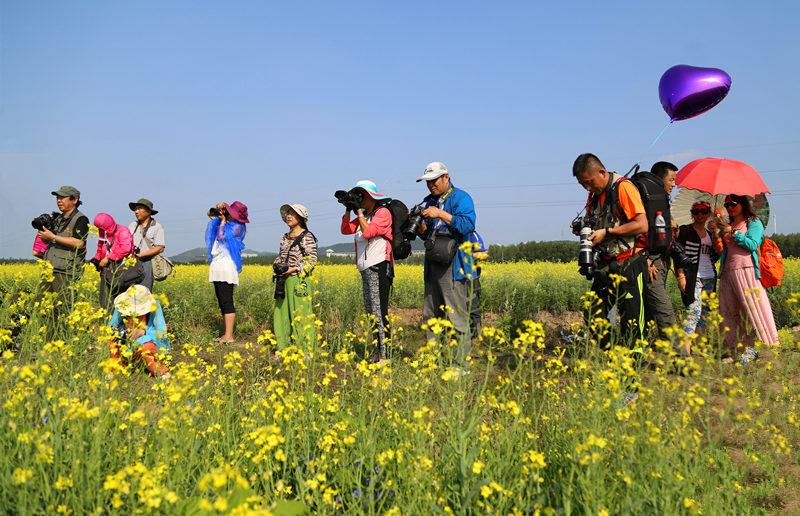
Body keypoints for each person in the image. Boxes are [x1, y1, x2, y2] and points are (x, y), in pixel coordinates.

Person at [572, 153, 648, 347]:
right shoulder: (594, 195)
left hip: (629, 262)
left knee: (631, 321)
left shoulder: (624, 188)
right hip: (606, 265)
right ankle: (614, 355)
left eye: (589, 182)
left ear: (602, 172)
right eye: (583, 185)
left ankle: (632, 367)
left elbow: (642, 225)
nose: (587, 188)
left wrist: (607, 232)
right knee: (592, 313)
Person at [416, 162, 477, 374]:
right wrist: (420, 224)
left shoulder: (461, 198)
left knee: (456, 315)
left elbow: (467, 225)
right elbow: (427, 234)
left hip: (455, 263)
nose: (431, 185)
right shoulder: (430, 202)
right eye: (428, 182)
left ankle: (461, 365)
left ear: (446, 178)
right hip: (433, 262)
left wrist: (440, 214)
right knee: (431, 315)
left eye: (434, 180)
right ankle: (435, 359)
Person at [713, 194, 779, 360]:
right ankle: (741, 352)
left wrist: (733, 232)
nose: (729, 207)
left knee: (753, 310)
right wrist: (716, 234)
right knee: (731, 312)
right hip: (728, 271)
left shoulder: (754, 222)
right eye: (727, 204)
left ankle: (769, 348)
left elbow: (752, 244)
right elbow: (724, 251)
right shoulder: (729, 224)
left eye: (733, 203)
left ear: (742, 204)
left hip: (747, 270)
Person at [340, 181, 394, 363]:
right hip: (365, 268)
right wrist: (348, 209)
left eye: (361, 195)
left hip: (379, 266)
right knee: (371, 312)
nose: (359, 200)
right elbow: (346, 229)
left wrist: (359, 212)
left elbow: (369, 232)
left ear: (371, 196)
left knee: (379, 312)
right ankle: (377, 351)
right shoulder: (365, 215)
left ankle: (385, 356)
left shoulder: (383, 213)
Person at [674, 201, 720, 351]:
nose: (700, 214)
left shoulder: (709, 233)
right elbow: (677, 255)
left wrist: (715, 234)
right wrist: (681, 277)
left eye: (704, 211)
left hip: (709, 277)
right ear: (691, 213)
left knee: (705, 313)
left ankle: (699, 348)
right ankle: (685, 350)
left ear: (709, 213)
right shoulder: (685, 231)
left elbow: (717, 255)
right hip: (693, 277)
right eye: (696, 211)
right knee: (694, 310)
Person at [273, 203, 318, 351]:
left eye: (293, 214)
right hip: (282, 280)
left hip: (299, 279)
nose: (289, 216)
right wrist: (278, 262)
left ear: (301, 217)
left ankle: (306, 350)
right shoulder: (284, 237)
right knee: (281, 314)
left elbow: (312, 261)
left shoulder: (307, 236)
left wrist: (294, 269)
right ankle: (282, 349)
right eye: (288, 213)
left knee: (302, 313)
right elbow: (282, 255)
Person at [642, 161, 678, 339]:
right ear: (659, 179)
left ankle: (641, 347)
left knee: (650, 306)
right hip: (650, 261)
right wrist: (645, 260)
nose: (674, 184)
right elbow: (638, 232)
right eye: (671, 180)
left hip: (662, 261)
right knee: (664, 309)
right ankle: (679, 357)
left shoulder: (661, 202)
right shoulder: (647, 200)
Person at [37, 186, 89, 304]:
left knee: (61, 309)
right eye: (57, 198)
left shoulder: (81, 219)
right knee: (43, 306)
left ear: (74, 200)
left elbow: (79, 243)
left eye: (62, 197)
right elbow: (49, 241)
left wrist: (53, 237)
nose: (58, 201)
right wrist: (44, 233)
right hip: (49, 268)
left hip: (65, 272)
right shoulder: (58, 219)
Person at [206, 201, 248, 344]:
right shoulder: (225, 222)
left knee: (227, 300)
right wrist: (218, 209)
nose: (227, 214)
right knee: (221, 300)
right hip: (218, 265)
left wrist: (223, 221)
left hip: (226, 266)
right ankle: (225, 334)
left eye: (230, 212)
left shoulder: (238, 227)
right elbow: (209, 214)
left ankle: (229, 336)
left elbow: (221, 237)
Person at [107, 285, 171, 379]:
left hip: (149, 346)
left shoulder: (155, 307)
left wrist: (143, 332)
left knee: (146, 346)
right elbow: (112, 325)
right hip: (128, 345)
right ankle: (116, 369)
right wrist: (112, 331)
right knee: (112, 343)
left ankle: (160, 371)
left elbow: (163, 332)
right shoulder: (122, 305)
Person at [92, 213, 137, 312]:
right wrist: (96, 259)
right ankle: (109, 323)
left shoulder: (123, 231)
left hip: (122, 271)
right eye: (98, 228)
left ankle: (121, 324)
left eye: (102, 228)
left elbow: (125, 249)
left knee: (122, 299)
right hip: (107, 271)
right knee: (105, 300)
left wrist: (108, 258)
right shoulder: (102, 234)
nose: (100, 230)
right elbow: (100, 249)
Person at [128, 198, 166, 292]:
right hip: (131, 262)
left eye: (140, 208)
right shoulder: (133, 225)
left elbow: (160, 248)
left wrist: (141, 255)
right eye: (135, 209)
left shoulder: (157, 226)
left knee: (144, 291)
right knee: (129, 291)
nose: (136, 211)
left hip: (147, 262)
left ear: (149, 211)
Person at [469, 231, 488, 340]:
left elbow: (483, 255)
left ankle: (476, 338)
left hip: (472, 278)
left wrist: (465, 256)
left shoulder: (472, 234)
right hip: (454, 278)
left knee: (472, 308)